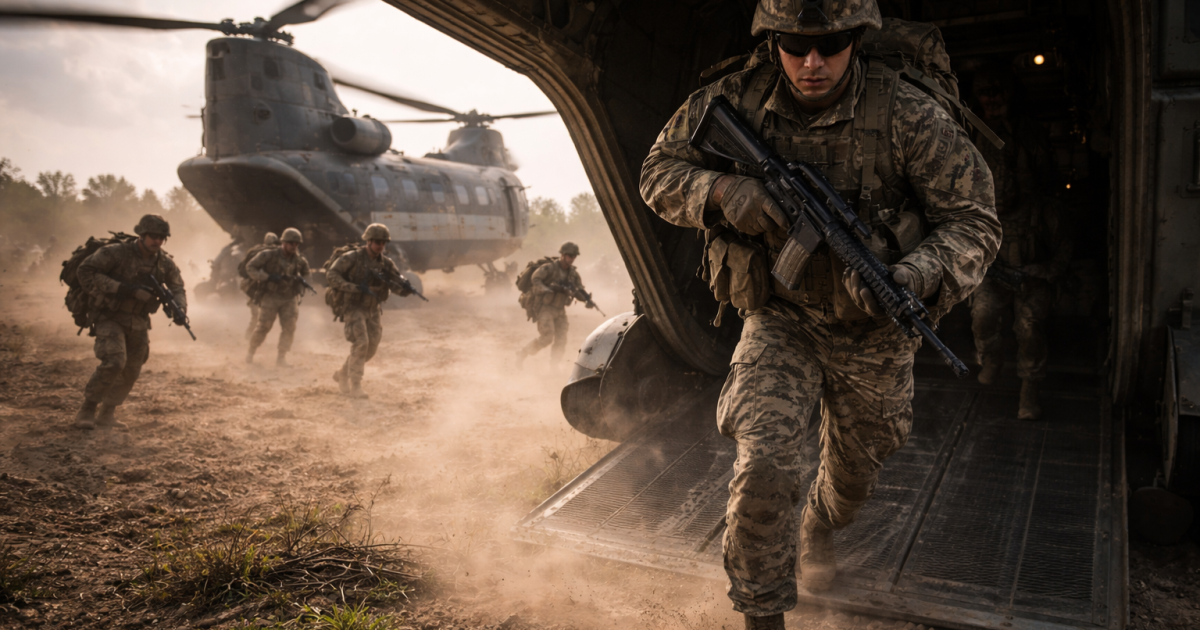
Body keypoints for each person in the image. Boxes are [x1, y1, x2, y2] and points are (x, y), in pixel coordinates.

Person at [639, 1, 1000, 627]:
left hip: (875, 334)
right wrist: (723, 192)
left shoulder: (909, 114)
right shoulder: (734, 100)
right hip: (782, 316)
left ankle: (821, 524)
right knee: (765, 464)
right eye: (793, 44)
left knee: (855, 477)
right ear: (771, 40)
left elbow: (974, 221)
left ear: (856, 40)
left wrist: (914, 273)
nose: (812, 62)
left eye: (831, 45)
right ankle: (762, 611)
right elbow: (657, 172)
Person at [968, 63, 1072, 421]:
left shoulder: (1044, 210)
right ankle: (991, 356)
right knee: (982, 315)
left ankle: (1029, 388)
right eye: (985, 94)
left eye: (998, 94)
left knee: (1029, 329)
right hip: (993, 274)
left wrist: (1040, 271)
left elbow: (1063, 255)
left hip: (1031, 276)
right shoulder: (979, 212)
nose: (992, 101)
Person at [73, 214, 187, 430]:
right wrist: (123, 289)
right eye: (153, 236)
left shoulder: (163, 262)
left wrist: (179, 309)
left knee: (133, 368)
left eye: (162, 237)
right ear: (141, 235)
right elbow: (85, 270)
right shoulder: (116, 253)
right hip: (110, 315)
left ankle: (107, 413)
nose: (157, 241)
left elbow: (177, 287)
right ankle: (87, 409)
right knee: (115, 361)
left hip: (138, 320)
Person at [326, 223, 409, 398]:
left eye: (383, 243)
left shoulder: (386, 263)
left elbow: (394, 284)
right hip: (353, 306)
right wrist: (354, 287)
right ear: (369, 241)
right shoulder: (351, 258)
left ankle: (343, 373)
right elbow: (332, 275)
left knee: (371, 348)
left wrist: (405, 289)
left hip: (373, 308)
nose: (380, 246)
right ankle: (355, 385)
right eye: (377, 242)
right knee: (361, 343)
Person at [244, 227, 311, 367]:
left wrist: (301, 281)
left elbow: (307, 273)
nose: (294, 246)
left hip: (289, 298)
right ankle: (251, 352)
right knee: (264, 327)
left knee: (289, 327)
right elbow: (250, 267)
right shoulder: (269, 255)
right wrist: (267, 277)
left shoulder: (299, 259)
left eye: (297, 243)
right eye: (291, 243)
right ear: (284, 243)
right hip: (271, 297)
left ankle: (281, 358)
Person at [518, 242, 588, 367]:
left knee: (561, 340)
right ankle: (523, 353)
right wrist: (548, 289)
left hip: (560, 310)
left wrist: (586, 299)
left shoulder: (573, 273)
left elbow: (579, 289)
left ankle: (554, 366)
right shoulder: (549, 268)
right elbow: (535, 279)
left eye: (574, 256)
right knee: (547, 338)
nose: (572, 259)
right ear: (563, 255)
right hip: (546, 308)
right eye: (570, 256)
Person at [241, 232, 279, 339]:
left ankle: (250, 337)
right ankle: (250, 338)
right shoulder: (272, 254)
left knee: (257, 315)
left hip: (251, 288)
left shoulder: (254, 251)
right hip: (258, 288)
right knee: (260, 316)